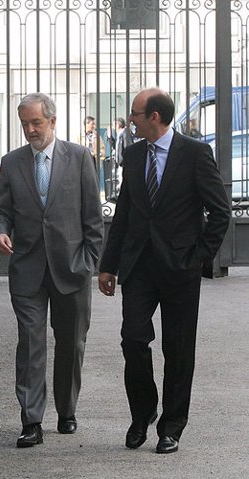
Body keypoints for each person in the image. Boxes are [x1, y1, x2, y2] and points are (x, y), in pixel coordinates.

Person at [98, 88, 230, 454]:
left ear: (154, 116)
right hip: (139, 266)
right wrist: (108, 266)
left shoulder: (195, 153)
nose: (132, 119)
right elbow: (125, 211)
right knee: (133, 340)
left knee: (178, 349)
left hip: (180, 269)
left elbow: (220, 212)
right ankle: (142, 414)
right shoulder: (133, 153)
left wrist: (200, 256)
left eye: (136, 113)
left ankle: (171, 426)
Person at [0, 93, 103, 447]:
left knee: (71, 343)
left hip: (71, 269)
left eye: (36, 123)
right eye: (24, 123)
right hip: (27, 269)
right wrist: (0, 231)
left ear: (52, 121)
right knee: (30, 344)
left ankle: (66, 410)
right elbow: (1, 210)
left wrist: (89, 263)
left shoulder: (80, 157)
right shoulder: (12, 162)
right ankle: (32, 420)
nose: (29, 130)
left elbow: (92, 217)